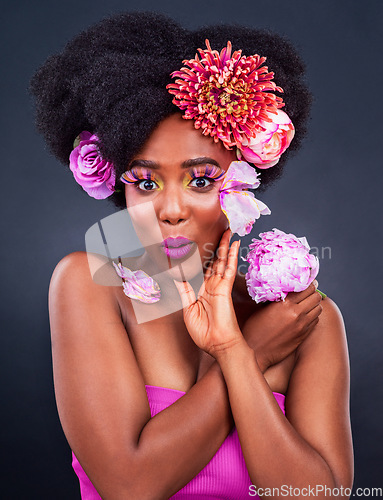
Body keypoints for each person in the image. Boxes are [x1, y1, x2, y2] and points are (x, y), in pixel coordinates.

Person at [30, 11, 354, 499]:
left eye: (201, 180)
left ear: (244, 183)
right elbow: (130, 487)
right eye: (145, 182)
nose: (171, 209)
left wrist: (231, 351)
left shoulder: (304, 317)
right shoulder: (89, 284)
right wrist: (253, 353)